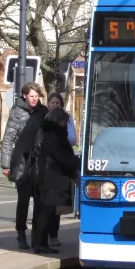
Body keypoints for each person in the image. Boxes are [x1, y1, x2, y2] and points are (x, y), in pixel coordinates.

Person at [1, 82, 48, 250]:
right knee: (23, 200)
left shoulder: (44, 112)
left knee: (40, 200)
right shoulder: (17, 112)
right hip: (22, 162)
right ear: (25, 96)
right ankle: (21, 232)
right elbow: (8, 139)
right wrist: (6, 164)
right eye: (32, 96)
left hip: (40, 162)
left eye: (37, 96)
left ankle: (38, 235)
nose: (34, 99)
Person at [32, 107, 80, 255]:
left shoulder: (48, 132)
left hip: (48, 175)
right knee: (46, 211)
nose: (66, 124)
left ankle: (40, 242)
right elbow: (63, 157)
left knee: (46, 210)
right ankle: (40, 243)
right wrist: (78, 163)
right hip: (51, 177)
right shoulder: (54, 135)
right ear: (59, 121)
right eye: (65, 121)